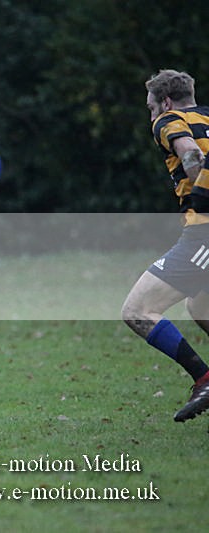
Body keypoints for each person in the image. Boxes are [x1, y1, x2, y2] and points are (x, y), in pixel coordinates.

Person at [122, 69, 209, 422]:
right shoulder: (206, 117)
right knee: (200, 306)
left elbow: (190, 154)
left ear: (166, 102)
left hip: (204, 232)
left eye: (150, 108)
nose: (151, 115)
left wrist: (202, 192)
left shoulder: (169, 120)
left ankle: (204, 378)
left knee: (137, 311)